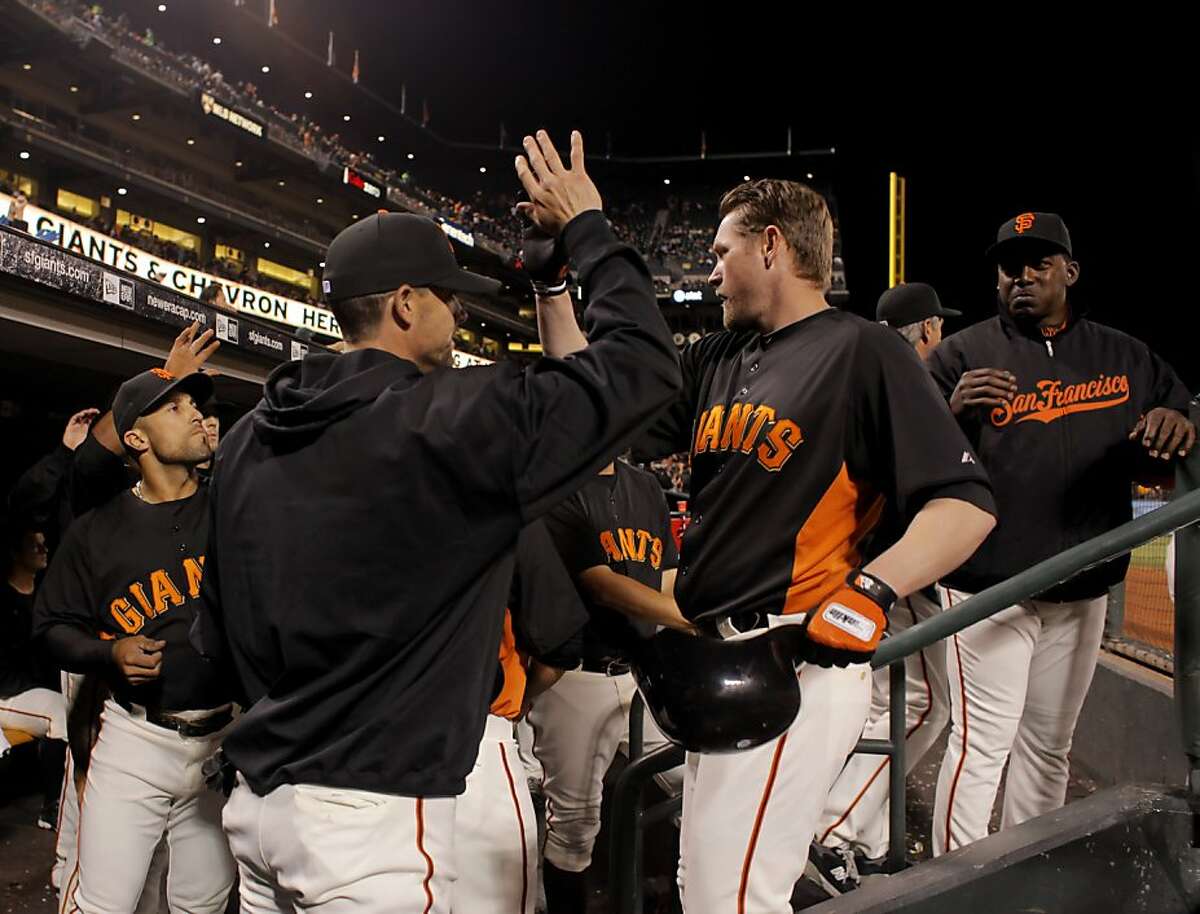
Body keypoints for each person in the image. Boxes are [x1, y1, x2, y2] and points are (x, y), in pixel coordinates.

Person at [193, 129, 683, 913]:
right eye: (447, 299)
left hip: (258, 804)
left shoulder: (252, 432)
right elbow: (642, 369)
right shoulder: (447, 419)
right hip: (372, 819)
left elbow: (211, 642)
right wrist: (587, 229)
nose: (458, 315)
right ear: (404, 303)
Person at [611, 178, 997, 914]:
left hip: (796, 661)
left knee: (732, 898)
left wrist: (872, 590)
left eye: (723, 252)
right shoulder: (718, 355)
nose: (712, 270)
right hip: (715, 656)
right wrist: (558, 287)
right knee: (713, 889)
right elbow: (608, 416)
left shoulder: (865, 350)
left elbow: (966, 504)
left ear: (772, 246)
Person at [927, 212, 1196, 855]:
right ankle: (952, 889)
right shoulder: (959, 357)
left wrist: (1173, 415)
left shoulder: (1122, 355)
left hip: (1081, 591)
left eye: (1037, 263)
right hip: (988, 591)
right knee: (980, 750)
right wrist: (950, 411)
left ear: (1068, 272)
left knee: (1048, 750)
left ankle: (1025, 870)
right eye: (1008, 265)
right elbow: (899, 450)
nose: (1020, 275)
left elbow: (1180, 408)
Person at [33, 365, 235, 914]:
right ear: (137, 438)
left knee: (206, 902)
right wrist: (109, 652)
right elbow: (50, 625)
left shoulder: (233, 508)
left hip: (223, 741)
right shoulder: (96, 531)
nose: (195, 412)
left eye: (197, 405)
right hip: (135, 743)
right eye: (174, 407)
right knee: (105, 904)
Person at [808, 281, 962, 892]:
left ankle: (864, 841)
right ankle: (831, 832)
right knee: (926, 704)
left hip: (861, 570)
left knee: (885, 707)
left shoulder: (860, 376)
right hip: (892, 575)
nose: (942, 337)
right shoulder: (911, 384)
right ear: (926, 331)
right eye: (938, 328)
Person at [528, 456, 692, 913]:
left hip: (642, 670)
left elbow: (665, 572)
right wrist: (684, 619)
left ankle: (682, 899)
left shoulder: (644, 485)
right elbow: (598, 584)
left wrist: (679, 611)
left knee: (696, 783)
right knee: (576, 825)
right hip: (576, 676)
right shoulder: (555, 482)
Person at [453, 520, 588, 914]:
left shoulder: (324, 492)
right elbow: (561, 640)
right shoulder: (493, 497)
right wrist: (522, 697)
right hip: (475, 745)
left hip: (347, 752)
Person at [0, 517, 67, 830]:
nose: (43, 550)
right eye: (34, 545)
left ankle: (71, 802)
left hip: (36, 689)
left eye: (44, 543)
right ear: (17, 552)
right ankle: (53, 805)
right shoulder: (4, 599)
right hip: (8, 692)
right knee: (60, 714)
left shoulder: (45, 593)